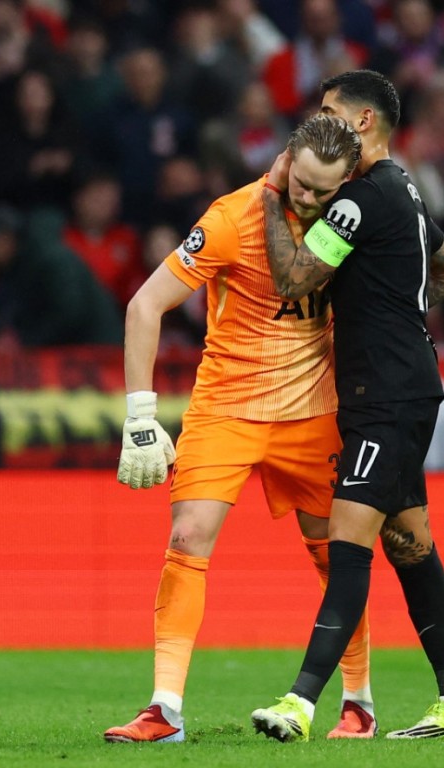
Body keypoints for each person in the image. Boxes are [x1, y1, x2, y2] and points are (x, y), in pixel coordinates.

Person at [103, 114, 379, 744]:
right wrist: (141, 414)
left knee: (337, 558)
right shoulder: (231, 218)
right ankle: (164, 710)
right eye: (302, 184)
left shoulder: (354, 224)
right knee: (187, 537)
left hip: (314, 416)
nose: (308, 199)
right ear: (286, 160)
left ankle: (358, 705)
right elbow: (145, 304)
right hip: (225, 407)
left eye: (324, 192)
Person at [250, 69, 444, 742]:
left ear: (361, 124)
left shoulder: (357, 200)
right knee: (410, 545)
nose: (317, 123)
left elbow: (293, 276)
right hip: (404, 382)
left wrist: (273, 196)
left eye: (328, 112)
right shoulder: (404, 187)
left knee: (347, 543)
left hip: (383, 393)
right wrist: (393, 308)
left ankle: (300, 703)